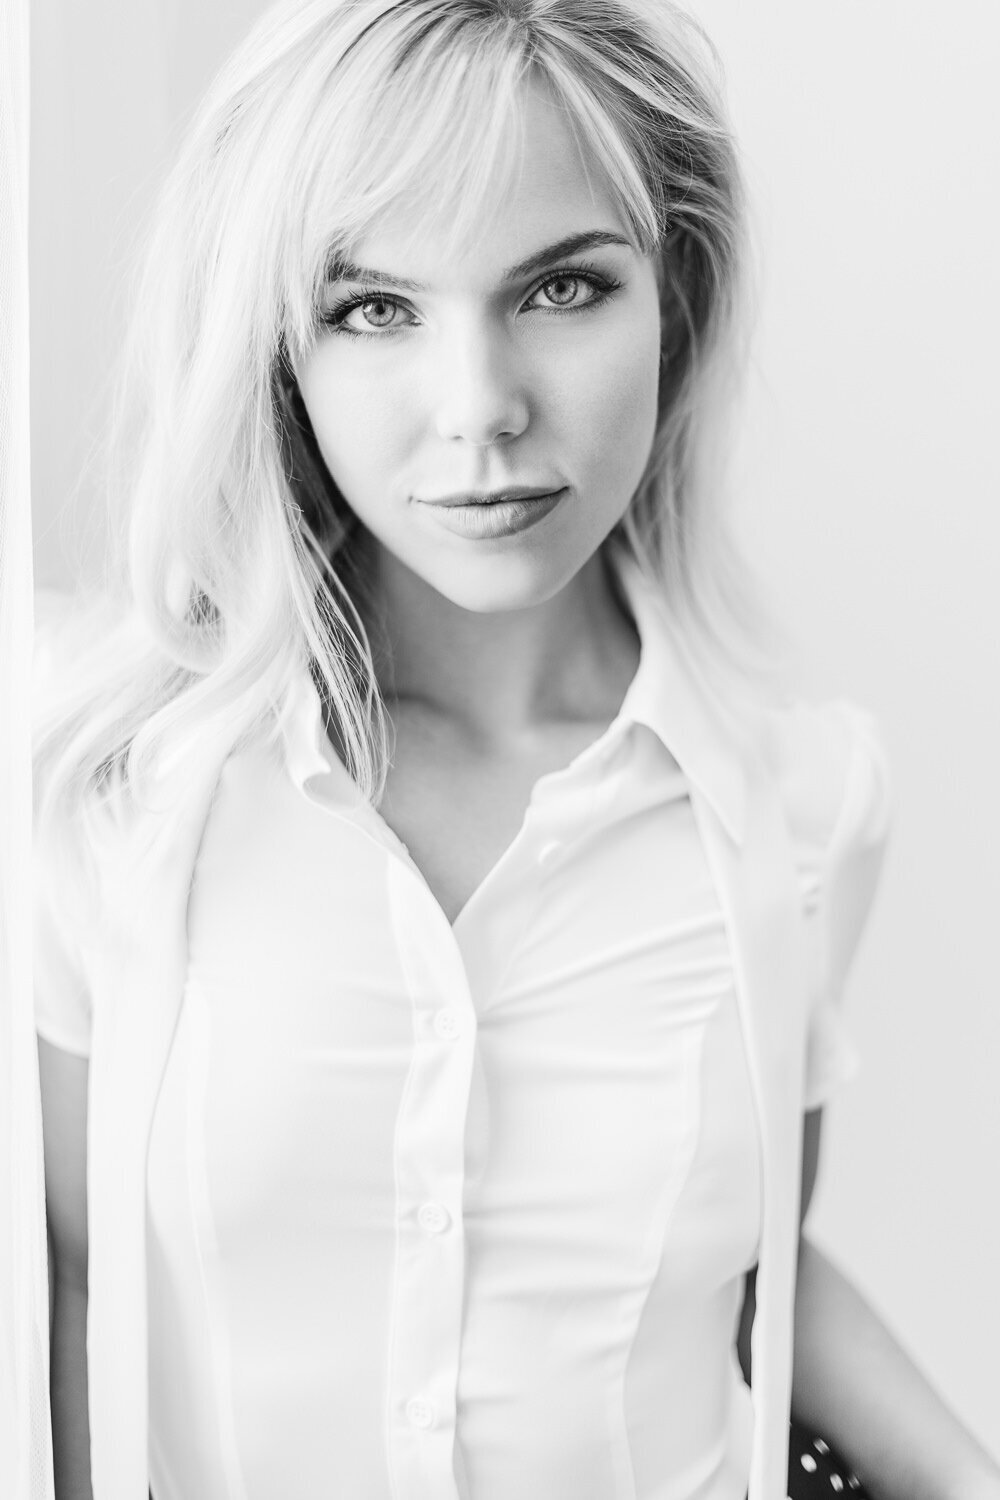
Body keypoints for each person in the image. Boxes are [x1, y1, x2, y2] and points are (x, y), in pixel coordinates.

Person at [32, 2, 1000, 1500]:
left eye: (560, 287)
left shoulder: (800, 804)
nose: (480, 410)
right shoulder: (98, 781)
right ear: (272, 344)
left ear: (675, 295)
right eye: (373, 308)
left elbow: (750, 1279)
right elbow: (65, 1289)